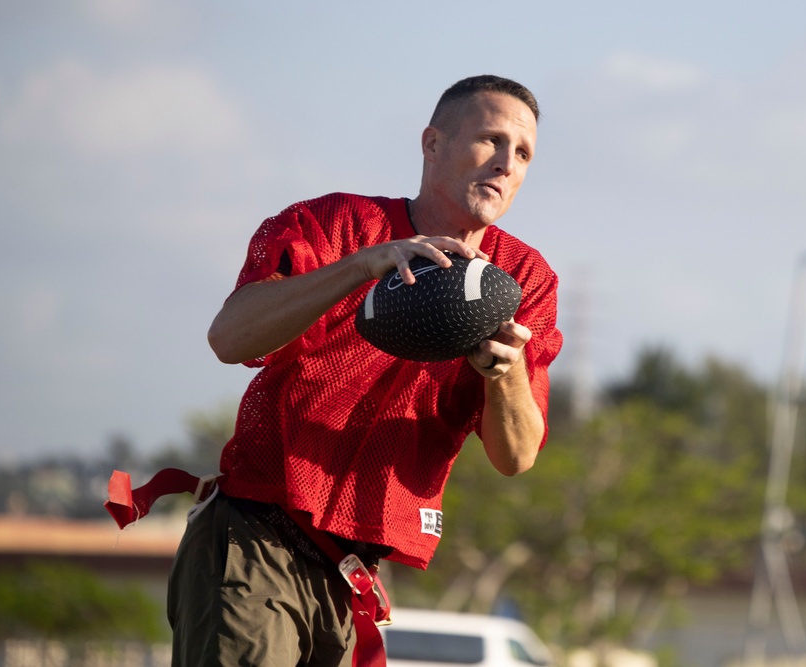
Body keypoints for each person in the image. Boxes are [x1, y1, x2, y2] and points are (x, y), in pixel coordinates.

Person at [167, 74, 563, 666]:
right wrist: (359, 267)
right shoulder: (332, 224)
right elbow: (229, 338)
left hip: (354, 570)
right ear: (432, 144)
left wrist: (501, 373)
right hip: (258, 532)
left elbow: (517, 457)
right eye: (490, 140)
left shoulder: (525, 279)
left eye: (524, 152)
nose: (507, 164)